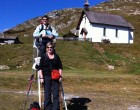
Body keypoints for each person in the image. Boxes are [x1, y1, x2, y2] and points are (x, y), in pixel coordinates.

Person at [38, 42, 63, 110]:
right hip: (46, 77)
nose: (49, 49)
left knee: (56, 94)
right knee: (47, 95)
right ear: (46, 49)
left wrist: (60, 76)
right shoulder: (43, 56)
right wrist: (41, 77)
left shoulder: (56, 56)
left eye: (51, 47)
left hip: (55, 77)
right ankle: (48, 108)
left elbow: (60, 67)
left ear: (53, 48)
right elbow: (40, 68)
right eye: (48, 47)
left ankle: (55, 108)